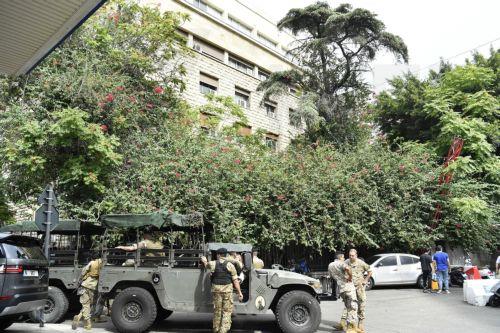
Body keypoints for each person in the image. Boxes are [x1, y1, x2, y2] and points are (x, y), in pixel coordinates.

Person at [201, 248, 243, 333]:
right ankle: (223, 331)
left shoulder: (213, 263)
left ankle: (216, 329)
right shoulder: (230, 265)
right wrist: (239, 293)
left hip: (216, 291)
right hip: (227, 291)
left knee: (217, 310)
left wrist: (204, 260)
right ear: (226, 255)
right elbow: (235, 280)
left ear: (218, 255)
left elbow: (206, 265)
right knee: (226, 312)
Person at [340, 249, 372, 333]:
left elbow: (370, 271)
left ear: (356, 255)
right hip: (350, 288)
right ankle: (347, 324)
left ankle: (360, 324)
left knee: (361, 304)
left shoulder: (361, 263)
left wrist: (365, 280)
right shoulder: (346, 262)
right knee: (349, 305)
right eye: (350, 255)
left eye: (352, 255)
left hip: (359, 288)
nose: (351, 257)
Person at [328, 252, 359, 333]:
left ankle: (351, 327)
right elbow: (348, 269)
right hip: (348, 288)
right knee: (353, 307)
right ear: (340, 257)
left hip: (341, 290)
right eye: (343, 257)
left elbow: (332, 277)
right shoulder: (341, 263)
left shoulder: (330, 265)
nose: (344, 259)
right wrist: (350, 277)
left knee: (348, 307)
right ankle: (351, 329)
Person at [72, 255, 103, 330]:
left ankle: (82, 319)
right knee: (89, 305)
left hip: (85, 285)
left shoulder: (92, 263)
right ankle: (85, 322)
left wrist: (80, 279)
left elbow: (83, 271)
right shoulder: (102, 263)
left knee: (86, 305)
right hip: (94, 287)